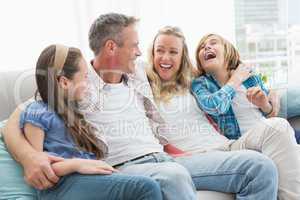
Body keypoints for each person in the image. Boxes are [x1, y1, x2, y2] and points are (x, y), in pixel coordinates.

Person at [3, 13, 197, 200]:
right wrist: (31, 158)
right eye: (134, 45)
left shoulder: (136, 72)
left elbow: (177, 67)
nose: (139, 52)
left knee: (219, 166)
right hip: (80, 177)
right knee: (156, 183)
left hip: (137, 161)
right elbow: (22, 122)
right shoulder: (50, 103)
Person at [151, 31, 299, 199]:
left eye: (213, 42)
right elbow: (215, 107)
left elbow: (270, 109)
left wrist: (267, 99)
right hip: (222, 147)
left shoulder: (246, 78)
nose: (206, 46)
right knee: (269, 150)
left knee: (280, 125)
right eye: (160, 51)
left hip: (236, 142)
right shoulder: (200, 83)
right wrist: (236, 79)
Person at [17, 44, 163, 200]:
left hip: (88, 180)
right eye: (85, 77)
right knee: (146, 187)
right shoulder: (38, 111)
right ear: (65, 82)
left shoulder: (75, 112)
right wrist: (78, 164)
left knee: (143, 185)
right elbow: (39, 169)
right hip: (62, 187)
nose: (88, 85)